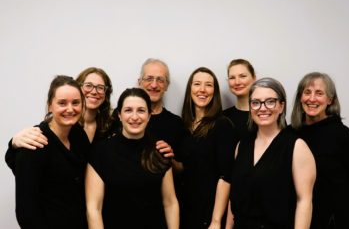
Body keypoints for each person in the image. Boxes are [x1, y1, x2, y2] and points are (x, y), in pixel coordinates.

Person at [6, 66, 172, 170]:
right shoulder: (62, 125)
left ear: (106, 94)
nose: (94, 91)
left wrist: (158, 147)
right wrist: (13, 143)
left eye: (101, 87)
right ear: (77, 88)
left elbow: (136, 140)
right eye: (88, 86)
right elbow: (25, 163)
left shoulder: (114, 123)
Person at [228, 77, 316, 229]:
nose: (262, 108)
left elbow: (304, 201)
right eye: (256, 102)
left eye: (270, 101)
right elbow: (234, 196)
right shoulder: (241, 145)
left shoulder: (297, 147)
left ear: (281, 106)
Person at [85, 88, 179, 228]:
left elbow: (170, 203)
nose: (134, 117)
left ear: (149, 116)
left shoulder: (160, 151)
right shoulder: (101, 152)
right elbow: (94, 209)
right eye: (128, 110)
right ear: (119, 115)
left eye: (141, 110)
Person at [291, 72, 349, 229]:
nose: (312, 99)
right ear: (300, 98)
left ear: (330, 100)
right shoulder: (290, 134)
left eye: (319, 93)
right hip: (296, 221)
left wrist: (338, 211)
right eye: (307, 92)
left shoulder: (344, 136)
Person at [14, 75, 91, 229]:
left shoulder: (79, 135)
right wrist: (13, 143)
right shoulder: (35, 142)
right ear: (50, 105)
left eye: (76, 103)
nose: (70, 109)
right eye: (62, 103)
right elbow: (25, 212)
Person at [176, 67, 237, 228]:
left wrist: (216, 221)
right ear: (190, 89)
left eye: (208, 85)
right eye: (197, 84)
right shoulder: (183, 125)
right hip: (186, 209)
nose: (202, 90)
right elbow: (185, 167)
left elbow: (226, 177)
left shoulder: (222, 125)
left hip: (209, 213)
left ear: (214, 91)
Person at [223, 59, 256, 139]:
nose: (237, 82)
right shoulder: (223, 117)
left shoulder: (267, 114)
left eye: (242, 76)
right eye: (232, 78)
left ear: (254, 78)